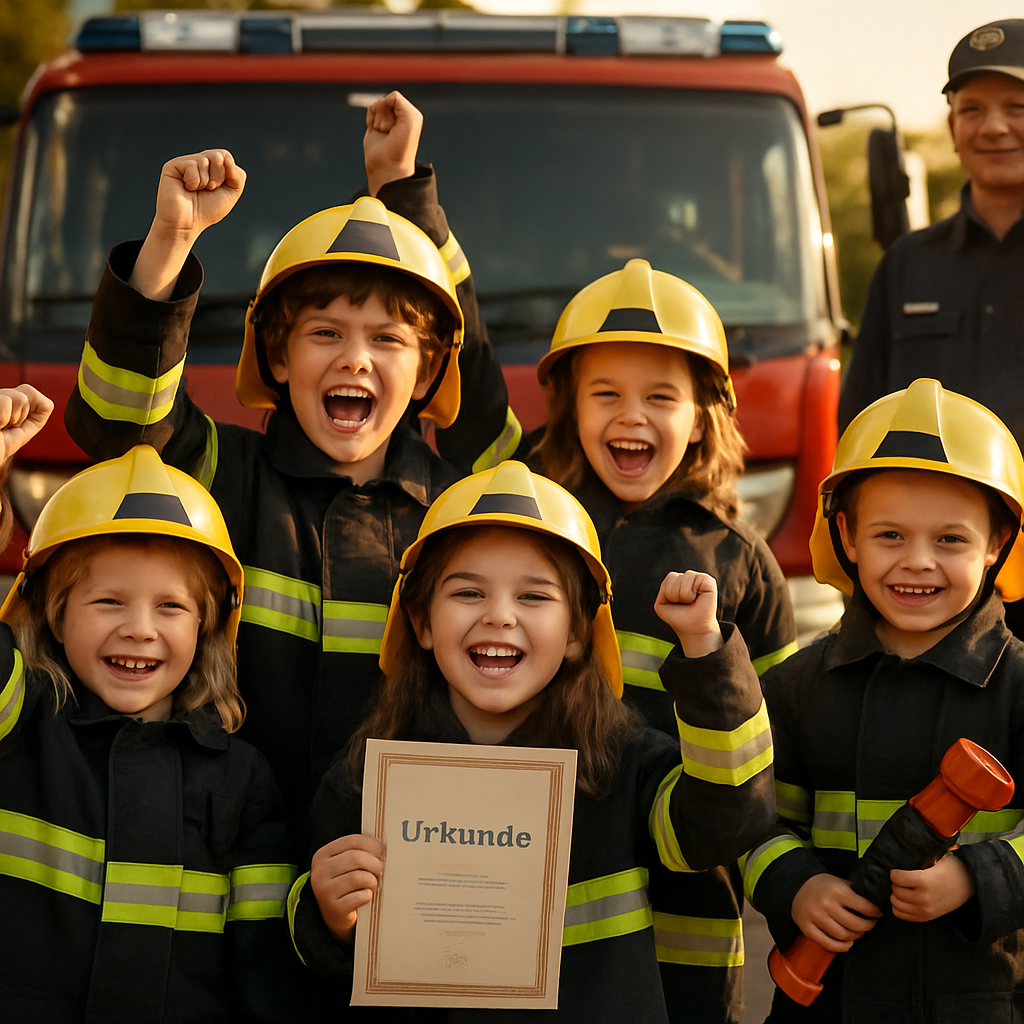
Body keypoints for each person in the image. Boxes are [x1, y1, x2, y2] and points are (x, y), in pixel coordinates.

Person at [64, 93, 516, 854]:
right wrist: (172, 240)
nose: (355, 358)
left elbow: (491, 422)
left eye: (389, 340)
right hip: (221, 856)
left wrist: (405, 194)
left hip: (393, 868)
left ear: (432, 367)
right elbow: (121, 422)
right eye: (325, 333)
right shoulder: (219, 472)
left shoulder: (457, 507)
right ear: (276, 357)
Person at [287, 460, 776, 1021]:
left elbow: (727, 819)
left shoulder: (628, 766)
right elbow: (312, 961)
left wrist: (706, 655)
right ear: (420, 623)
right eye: (468, 592)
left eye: (534, 597)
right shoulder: (365, 776)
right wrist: (325, 915)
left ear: (576, 633)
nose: (499, 617)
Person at [529, 258, 796, 1020]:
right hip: (535, 885)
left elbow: (775, 755)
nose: (631, 415)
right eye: (605, 394)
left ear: (704, 415)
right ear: (568, 408)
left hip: (686, 911)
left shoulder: (742, 563)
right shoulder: (538, 525)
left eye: (660, 397)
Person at [744, 378, 1024, 1022]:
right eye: (889, 535)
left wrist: (977, 879)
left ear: (997, 543)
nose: (917, 562)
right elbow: (755, 825)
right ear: (845, 534)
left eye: (950, 540)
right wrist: (797, 885)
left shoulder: (1018, 691)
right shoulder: (797, 687)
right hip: (832, 1001)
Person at [0, 426, 303, 1021]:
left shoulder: (242, 781)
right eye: (108, 601)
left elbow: (266, 978)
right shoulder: (19, 720)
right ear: (55, 617)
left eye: (171, 606)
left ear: (206, 626)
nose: (140, 628)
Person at [840, 19, 1024, 446]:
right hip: (930, 513)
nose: (994, 127)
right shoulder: (906, 265)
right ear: (951, 128)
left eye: (1017, 107)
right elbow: (859, 424)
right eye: (972, 110)